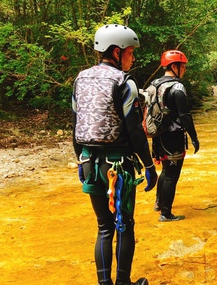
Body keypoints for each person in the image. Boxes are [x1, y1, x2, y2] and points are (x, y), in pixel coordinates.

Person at [72, 24, 158, 285]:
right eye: (131, 52)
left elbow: (75, 123)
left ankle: (104, 283)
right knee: (124, 224)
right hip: (117, 166)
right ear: (117, 52)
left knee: (104, 226)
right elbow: (134, 130)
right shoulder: (124, 83)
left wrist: (80, 159)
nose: (133, 58)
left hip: (88, 161)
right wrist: (149, 165)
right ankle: (123, 282)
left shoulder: (80, 78)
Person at [151, 50, 199, 222]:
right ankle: (166, 213)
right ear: (174, 66)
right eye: (183, 66)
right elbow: (185, 115)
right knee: (172, 174)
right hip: (173, 137)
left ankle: (159, 202)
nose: (184, 69)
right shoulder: (177, 87)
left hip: (159, 135)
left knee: (165, 170)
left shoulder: (154, 83)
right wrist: (194, 137)